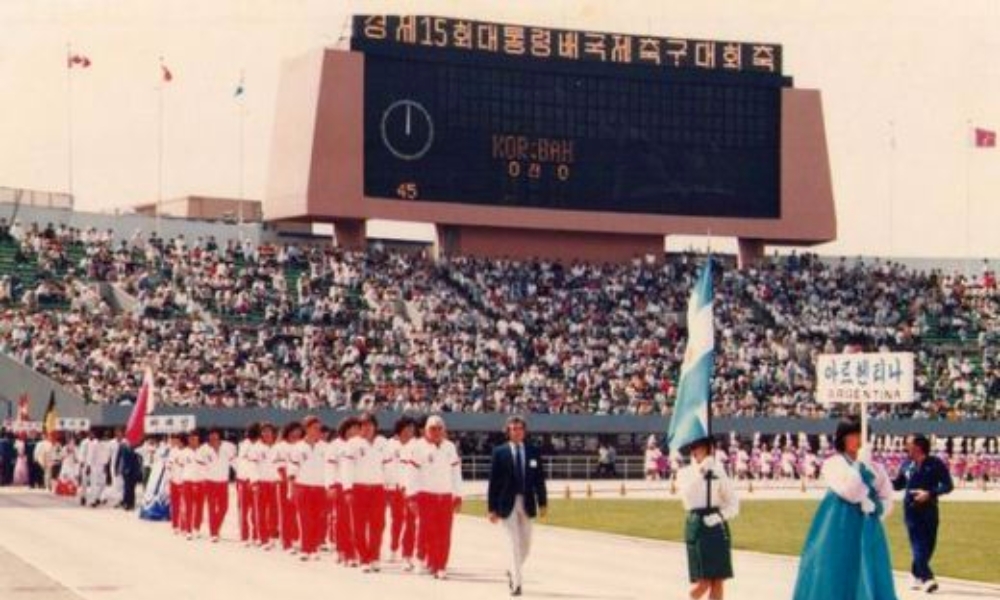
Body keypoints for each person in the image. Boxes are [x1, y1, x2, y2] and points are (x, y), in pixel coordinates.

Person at [792, 419, 897, 600]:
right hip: (838, 525)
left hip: (867, 526)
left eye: (862, 435)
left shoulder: (877, 468)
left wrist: (878, 508)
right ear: (843, 438)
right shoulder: (834, 464)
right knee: (836, 569)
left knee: (868, 569)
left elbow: (887, 497)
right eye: (853, 435)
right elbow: (850, 492)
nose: (858, 440)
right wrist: (859, 467)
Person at [487, 415, 548, 597]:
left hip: (527, 502)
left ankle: (512, 569)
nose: (516, 432)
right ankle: (517, 584)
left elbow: (539, 479)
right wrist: (492, 508)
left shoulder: (533, 452)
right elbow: (493, 482)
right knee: (513, 543)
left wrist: (543, 502)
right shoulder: (500, 452)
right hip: (506, 503)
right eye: (513, 429)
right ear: (508, 431)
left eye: (519, 428)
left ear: (524, 431)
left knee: (526, 544)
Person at [677, 437, 739, 600]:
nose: (702, 453)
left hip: (717, 526)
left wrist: (719, 516)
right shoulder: (684, 473)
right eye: (699, 449)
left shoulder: (718, 471)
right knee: (703, 582)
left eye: (707, 449)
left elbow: (733, 504)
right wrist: (702, 471)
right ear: (692, 451)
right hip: (697, 524)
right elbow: (686, 497)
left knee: (718, 579)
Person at [892, 434, 954, 593]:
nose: (905, 446)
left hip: (930, 508)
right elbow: (898, 484)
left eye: (908, 443)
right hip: (911, 510)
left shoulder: (935, 463)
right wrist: (881, 480)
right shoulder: (906, 464)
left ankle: (915, 572)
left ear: (918, 447)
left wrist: (930, 493)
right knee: (918, 543)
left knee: (929, 545)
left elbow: (948, 485)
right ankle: (927, 578)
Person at [405, 415, 463, 579]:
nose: (436, 432)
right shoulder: (418, 447)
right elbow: (411, 475)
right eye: (433, 428)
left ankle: (440, 565)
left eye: (439, 428)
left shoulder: (450, 447)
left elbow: (456, 473)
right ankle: (421, 558)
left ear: (444, 430)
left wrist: (458, 495)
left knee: (444, 533)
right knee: (425, 531)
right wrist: (411, 497)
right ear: (426, 430)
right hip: (425, 496)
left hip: (445, 497)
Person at [342, 412, 389, 572]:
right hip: (358, 488)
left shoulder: (383, 442)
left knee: (378, 525)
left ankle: (375, 556)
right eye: (363, 425)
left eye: (370, 425)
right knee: (359, 526)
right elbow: (346, 468)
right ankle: (363, 558)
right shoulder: (353, 443)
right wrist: (347, 489)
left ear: (375, 426)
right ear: (359, 428)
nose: (367, 428)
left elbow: (388, 467)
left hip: (378, 488)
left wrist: (390, 486)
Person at [287, 415, 328, 561]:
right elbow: (292, 470)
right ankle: (306, 549)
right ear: (306, 429)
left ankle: (314, 547)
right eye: (314, 428)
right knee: (305, 519)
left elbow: (329, 469)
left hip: (320, 487)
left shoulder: (325, 447)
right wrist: (291, 490)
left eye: (319, 428)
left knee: (318, 519)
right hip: (302, 487)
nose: (318, 430)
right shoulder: (297, 447)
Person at [385, 416, 417, 565]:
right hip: (393, 488)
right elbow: (384, 467)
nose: (411, 430)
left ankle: (407, 554)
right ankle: (393, 549)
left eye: (412, 428)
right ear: (400, 428)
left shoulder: (416, 445)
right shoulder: (389, 444)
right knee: (397, 520)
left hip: (410, 489)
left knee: (411, 522)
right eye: (408, 427)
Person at [200, 429, 236, 542]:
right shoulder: (203, 449)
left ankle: (216, 527)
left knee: (224, 507)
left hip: (223, 482)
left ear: (219, 437)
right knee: (211, 508)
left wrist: (242, 475)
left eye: (216, 436)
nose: (213, 439)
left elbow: (234, 463)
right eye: (211, 437)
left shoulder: (228, 447)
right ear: (209, 437)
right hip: (209, 482)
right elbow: (200, 467)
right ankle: (213, 533)